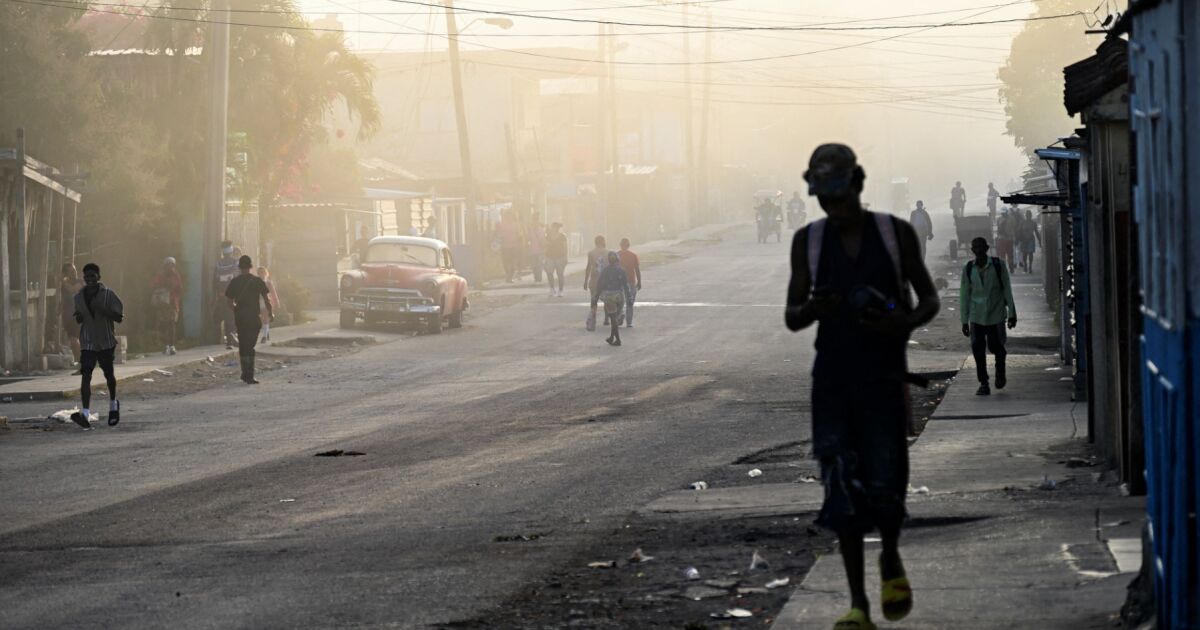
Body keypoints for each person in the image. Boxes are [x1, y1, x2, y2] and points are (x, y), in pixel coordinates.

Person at [785, 144, 939, 630]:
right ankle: (858, 605)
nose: (832, 207)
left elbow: (929, 298)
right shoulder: (807, 242)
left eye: (838, 195)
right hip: (832, 382)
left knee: (886, 483)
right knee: (840, 489)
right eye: (824, 199)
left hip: (884, 379)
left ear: (857, 184)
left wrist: (901, 324)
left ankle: (890, 556)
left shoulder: (895, 235)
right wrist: (816, 308)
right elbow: (792, 317)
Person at [69, 263, 125, 429]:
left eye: (93, 276)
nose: (90, 279)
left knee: (109, 374)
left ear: (99, 277)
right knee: (86, 373)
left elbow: (119, 317)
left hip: (106, 340)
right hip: (88, 341)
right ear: (84, 278)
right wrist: (79, 316)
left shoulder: (108, 295)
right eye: (87, 277)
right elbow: (79, 318)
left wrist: (102, 309)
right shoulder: (78, 297)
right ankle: (85, 412)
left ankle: (113, 404)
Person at [960, 237, 1017, 396]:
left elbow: (1007, 289)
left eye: (981, 247)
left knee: (996, 347)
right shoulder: (968, 268)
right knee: (978, 350)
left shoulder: (998, 265)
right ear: (972, 251)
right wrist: (964, 320)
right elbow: (964, 295)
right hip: (976, 316)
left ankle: (1000, 374)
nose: (978, 250)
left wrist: (1012, 313)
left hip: (996, 314)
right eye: (975, 247)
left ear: (986, 248)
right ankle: (983, 382)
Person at [225, 255, 273, 384]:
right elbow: (267, 299)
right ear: (250, 267)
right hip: (253, 317)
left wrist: (235, 310)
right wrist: (270, 313)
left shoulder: (235, 282)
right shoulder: (257, 281)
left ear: (240, 268)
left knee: (243, 344)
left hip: (240, 318)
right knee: (250, 346)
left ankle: (244, 373)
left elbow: (229, 301)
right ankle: (249, 375)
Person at [596, 251, 633, 346]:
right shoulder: (622, 270)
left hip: (609, 296)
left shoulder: (605, 270)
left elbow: (600, 284)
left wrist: (595, 298)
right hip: (619, 296)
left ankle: (618, 340)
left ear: (609, 260)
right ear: (618, 259)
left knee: (613, 319)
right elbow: (626, 286)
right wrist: (629, 298)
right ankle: (612, 337)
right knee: (614, 319)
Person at [150, 257, 183, 355]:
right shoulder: (161, 276)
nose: (170, 267)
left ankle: (171, 345)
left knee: (171, 324)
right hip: (163, 304)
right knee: (164, 325)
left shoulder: (176, 276)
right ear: (165, 266)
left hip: (172, 303)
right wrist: (163, 285)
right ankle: (166, 346)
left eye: (172, 265)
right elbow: (152, 285)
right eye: (168, 265)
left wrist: (172, 287)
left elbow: (180, 288)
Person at [214, 240, 240, 349]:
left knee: (227, 317)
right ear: (231, 250)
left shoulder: (218, 263)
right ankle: (233, 336)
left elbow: (215, 280)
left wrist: (218, 292)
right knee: (233, 317)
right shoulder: (236, 263)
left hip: (222, 295)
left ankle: (229, 341)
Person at [582, 235, 610, 331]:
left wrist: (586, 281)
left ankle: (593, 317)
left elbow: (588, 267)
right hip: (605, 280)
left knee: (594, 299)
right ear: (603, 242)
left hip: (594, 279)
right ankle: (606, 318)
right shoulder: (609, 253)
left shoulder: (591, 253)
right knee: (607, 300)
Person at [60, 263, 84, 370]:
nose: (74, 273)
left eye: (74, 270)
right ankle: (80, 362)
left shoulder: (80, 282)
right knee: (73, 341)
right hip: (68, 317)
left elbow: (73, 290)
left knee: (75, 340)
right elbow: (63, 299)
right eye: (70, 271)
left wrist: (62, 281)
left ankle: (81, 363)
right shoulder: (64, 285)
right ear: (66, 273)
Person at [617, 238, 643, 327]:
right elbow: (637, 269)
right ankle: (629, 322)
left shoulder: (616, 255)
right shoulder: (633, 255)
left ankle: (619, 315)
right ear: (628, 245)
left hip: (619, 282)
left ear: (620, 245)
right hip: (631, 281)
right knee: (630, 302)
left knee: (619, 301)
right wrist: (639, 282)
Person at [496, 209, 524, 283]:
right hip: (504, 247)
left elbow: (520, 235)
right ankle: (507, 275)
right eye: (507, 216)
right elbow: (498, 235)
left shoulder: (516, 225)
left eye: (510, 216)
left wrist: (520, 243)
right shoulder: (502, 225)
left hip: (514, 247)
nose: (508, 218)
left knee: (512, 263)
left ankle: (510, 277)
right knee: (505, 262)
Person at [256, 266, 281, 343]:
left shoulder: (269, 283)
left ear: (266, 274)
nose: (262, 275)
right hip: (258, 304)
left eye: (263, 273)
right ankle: (266, 333)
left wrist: (276, 302)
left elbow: (273, 293)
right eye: (260, 273)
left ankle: (264, 337)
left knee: (265, 319)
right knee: (262, 320)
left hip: (267, 304)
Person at [544, 222, 568, 297]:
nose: (554, 229)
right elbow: (545, 246)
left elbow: (565, 247)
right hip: (550, 257)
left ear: (558, 228)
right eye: (553, 227)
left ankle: (560, 290)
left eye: (556, 227)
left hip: (560, 257)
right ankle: (552, 288)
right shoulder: (548, 236)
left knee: (560, 274)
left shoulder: (562, 236)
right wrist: (545, 257)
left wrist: (565, 257)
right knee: (549, 272)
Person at [1016, 209, 1041, 273]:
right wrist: (1017, 239)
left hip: (1031, 240)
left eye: (1029, 215)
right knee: (1024, 254)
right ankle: (1025, 266)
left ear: (1031, 216)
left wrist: (1039, 240)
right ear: (1026, 216)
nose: (1028, 216)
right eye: (1027, 215)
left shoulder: (1033, 223)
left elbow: (1036, 232)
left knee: (1030, 253)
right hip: (1024, 240)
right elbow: (1018, 231)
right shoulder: (1022, 222)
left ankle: (1030, 266)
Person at [528, 219, 545, 284]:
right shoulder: (531, 230)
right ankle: (536, 276)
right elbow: (528, 238)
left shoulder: (541, 230)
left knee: (539, 264)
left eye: (536, 223)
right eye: (534, 223)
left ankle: (539, 277)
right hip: (532, 250)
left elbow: (543, 239)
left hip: (540, 250)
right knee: (534, 265)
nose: (535, 224)